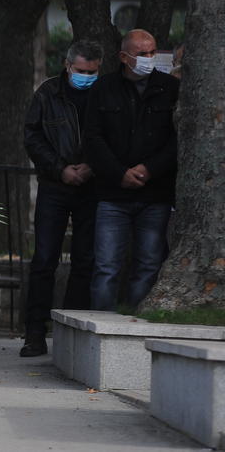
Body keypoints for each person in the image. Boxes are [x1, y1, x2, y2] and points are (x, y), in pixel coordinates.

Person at [85, 29, 178, 311]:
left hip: (155, 195)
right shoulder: (104, 88)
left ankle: (136, 330)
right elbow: (93, 138)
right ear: (124, 57)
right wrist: (119, 173)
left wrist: (150, 169)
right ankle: (101, 329)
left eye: (152, 52)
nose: (149, 58)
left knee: (149, 265)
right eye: (142, 54)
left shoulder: (170, 88)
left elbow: (177, 139)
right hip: (113, 194)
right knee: (106, 266)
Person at [20, 40, 102, 357]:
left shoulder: (103, 92)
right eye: (81, 71)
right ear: (68, 66)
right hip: (55, 184)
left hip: (92, 185)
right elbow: (33, 136)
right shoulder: (48, 93)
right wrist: (60, 169)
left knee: (85, 260)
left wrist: (92, 167)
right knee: (44, 260)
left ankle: (71, 333)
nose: (87, 77)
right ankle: (35, 333)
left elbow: (111, 134)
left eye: (92, 72)